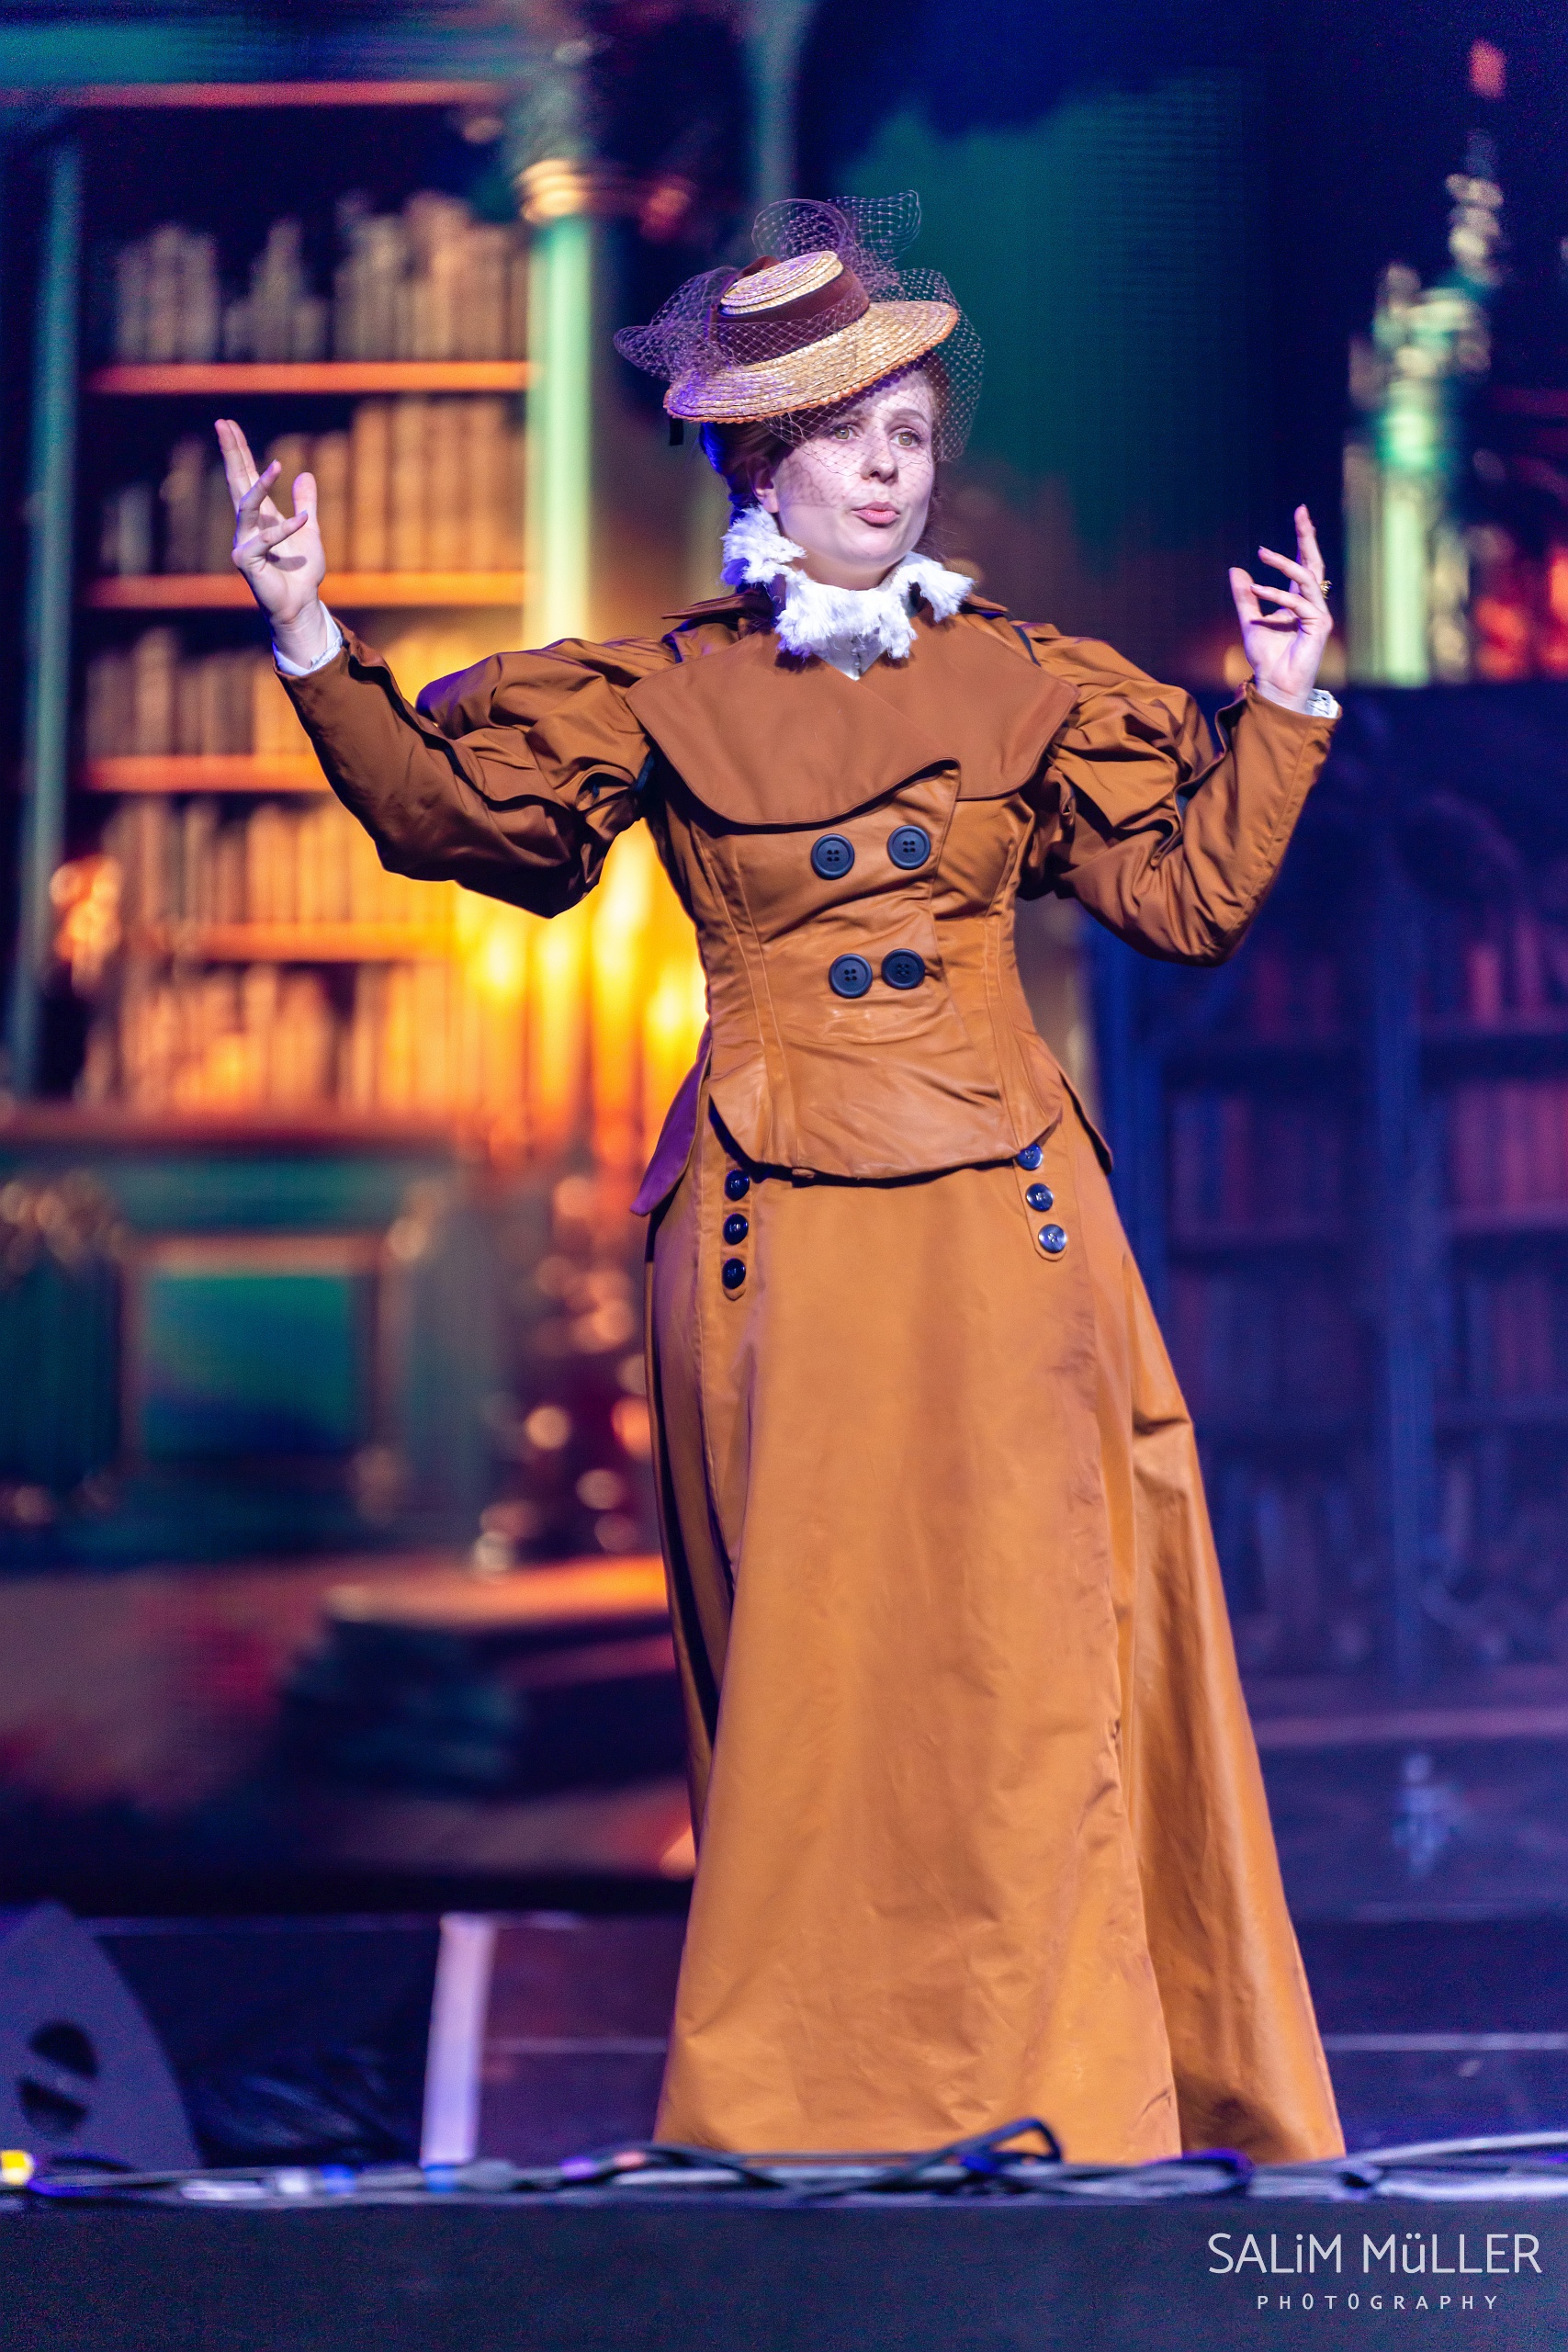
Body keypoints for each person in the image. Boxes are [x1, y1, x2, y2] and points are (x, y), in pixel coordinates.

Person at [217, 194, 1343, 2166]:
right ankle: (814, 2114)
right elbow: (466, 826)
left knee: (1034, 1660)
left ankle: (1082, 2097)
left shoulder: (1025, 679)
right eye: (844, 438)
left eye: (909, 435)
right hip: (773, 1229)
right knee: (820, 1685)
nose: (888, 470)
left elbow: (1185, 901)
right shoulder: (655, 690)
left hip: (1005, 1225)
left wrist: (1284, 706)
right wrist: (310, 634)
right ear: (761, 465)